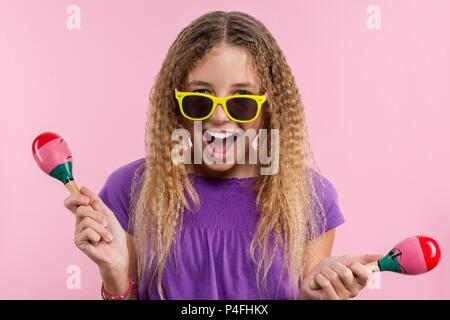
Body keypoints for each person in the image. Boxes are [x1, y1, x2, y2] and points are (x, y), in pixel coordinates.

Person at [63, 11, 381, 300]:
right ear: (177, 104)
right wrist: (115, 276)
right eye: (200, 99)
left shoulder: (311, 198)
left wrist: (317, 297)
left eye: (241, 100)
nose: (219, 117)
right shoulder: (130, 189)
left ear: (267, 108)